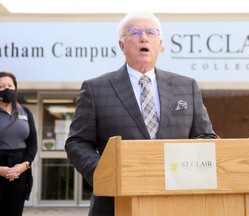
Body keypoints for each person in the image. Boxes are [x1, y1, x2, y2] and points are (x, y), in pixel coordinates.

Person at [65, 11, 217, 216]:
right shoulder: (96, 88)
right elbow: (77, 142)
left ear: (160, 43)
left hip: (177, 202)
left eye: (151, 32)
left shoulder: (186, 87)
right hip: (115, 204)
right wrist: (104, 172)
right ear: (122, 45)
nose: (144, 37)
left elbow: (205, 137)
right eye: (134, 32)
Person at [0, 72, 38, 216]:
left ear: (15, 88)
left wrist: (23, 166)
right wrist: (2, 171)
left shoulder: (25, 112)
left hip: (19, 171)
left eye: (10, 85)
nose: (7, 89)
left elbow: (32, 144)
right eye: (2, 86)